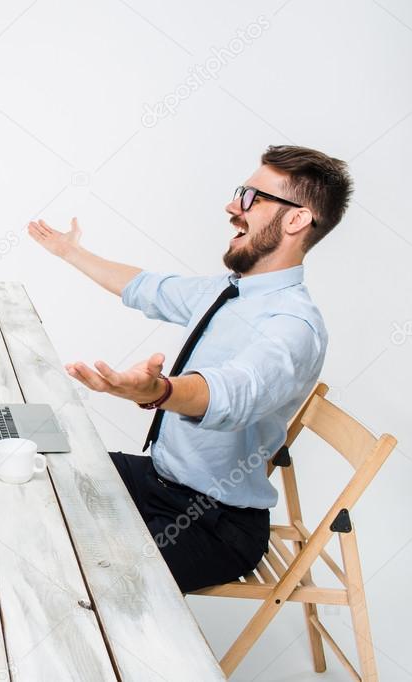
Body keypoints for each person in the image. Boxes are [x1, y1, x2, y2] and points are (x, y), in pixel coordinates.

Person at [27, 145, 352, 592]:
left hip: (213, 523)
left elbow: (231, 394)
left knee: (86, 583)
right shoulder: (233, 290)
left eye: (251, 197)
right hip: (159, 480)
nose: (232, 207)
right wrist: (69, 252)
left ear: (296, 219)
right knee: (31, 460)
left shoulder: (293, 327)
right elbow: (147, 288)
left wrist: (158, 391)